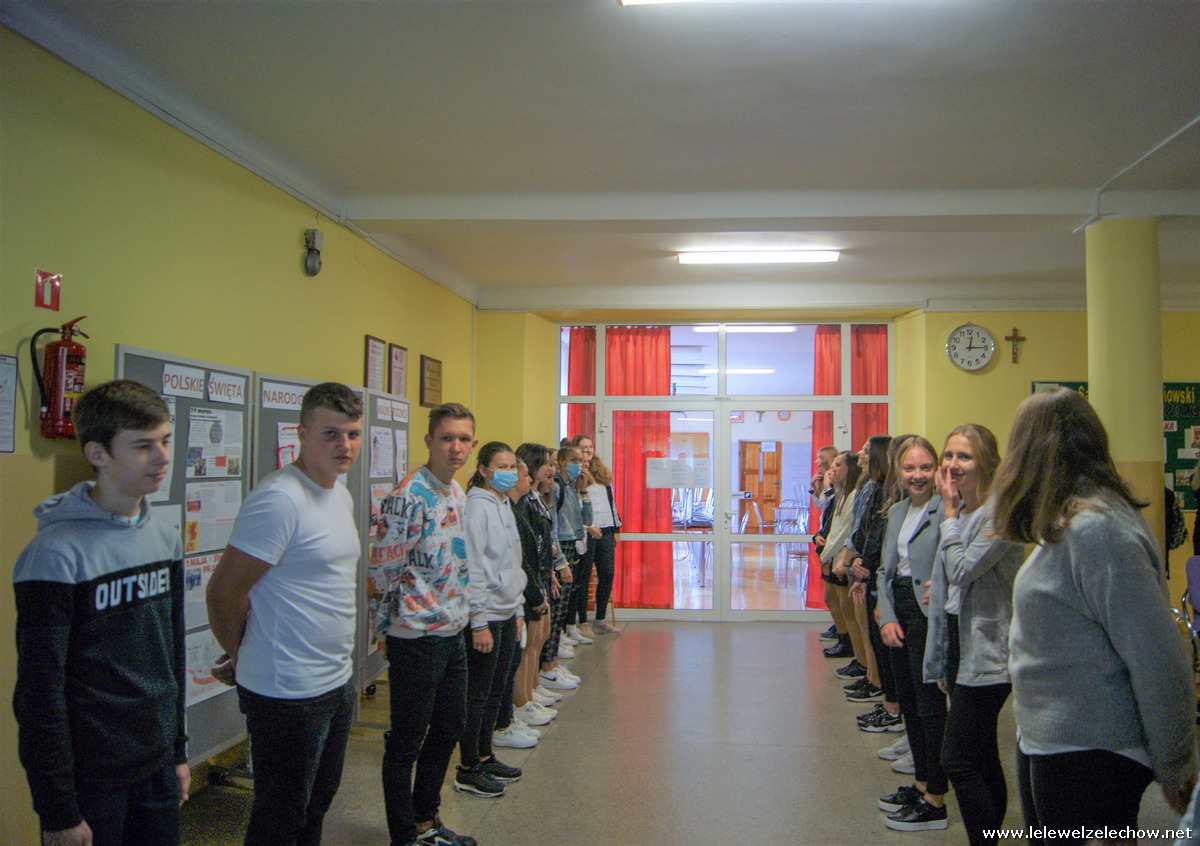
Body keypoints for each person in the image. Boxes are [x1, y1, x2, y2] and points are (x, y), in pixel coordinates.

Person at [993, 388, 1198, 838]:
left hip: (1090, 755)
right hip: (1055, 744)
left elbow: (1159, 658)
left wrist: (1176, 762)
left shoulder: (1098, 531)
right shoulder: (1069, 522)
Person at [13, 380, 187, 846]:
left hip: (157, 766)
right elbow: (39, 692)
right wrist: (57, 810)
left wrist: (178, 753)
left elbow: (171, 657)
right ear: (97, 453)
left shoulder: (165, 538)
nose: (162, 457)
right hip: (91, 779)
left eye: (166, 440)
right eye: (143, 446)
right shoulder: (55, 554)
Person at [207, 382, 363, 846]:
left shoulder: (339, 493)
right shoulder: (280, 499)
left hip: (336, 680)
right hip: (287, 690)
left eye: (353, 434)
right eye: (330, 434)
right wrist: (244, 654)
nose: (344, 445)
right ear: (303, 433)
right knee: (280, 817)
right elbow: (224, 593)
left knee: (317, 805)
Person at [367, 402, 479, 846]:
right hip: (415, 634)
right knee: (407, 740)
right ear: (430, 440)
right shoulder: (408, 496)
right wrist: (384, 631)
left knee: (449, 727)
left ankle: (425, 820)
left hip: (451, 631)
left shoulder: (456, 492)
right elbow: (382, 571)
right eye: (447, 438)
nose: (456, 448)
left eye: (464, 439)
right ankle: (404, 834)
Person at [921, 425, 1024, 846]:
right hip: (959, 640)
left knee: (956, 758)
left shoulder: (999, 514)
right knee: (981, 756)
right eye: (948, 456)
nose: (952, 465)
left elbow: (962, 568)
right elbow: (953, 575)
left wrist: (947, 515)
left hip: (989, 650)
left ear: (987, 463)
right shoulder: (964, 511)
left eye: (963, 456)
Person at [875, 436, 948, 832]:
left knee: (929, 707)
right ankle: (921, 783)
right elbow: (884, 571)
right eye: (909, 468)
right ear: (899, 472)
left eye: (925, 467)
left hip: (927, 615)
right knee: (908, 702)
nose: (917, 475)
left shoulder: (946, 509)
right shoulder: (898, 510)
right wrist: (886, 617)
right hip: (898, 610)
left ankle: (935, 798)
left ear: (936, 470)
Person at [453, 442, 528, 798]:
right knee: (478, 695)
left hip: (507, 611)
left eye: (513, 466)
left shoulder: (503, 504)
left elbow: (513, 561)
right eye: (502, 466)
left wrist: (518, 609)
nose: (509, 473)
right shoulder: (476, 507)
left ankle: (485, 755)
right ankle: (468, 767)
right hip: (485, 617)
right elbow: (473, 567)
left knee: (497, 689)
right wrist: (479, 622)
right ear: (483, 470)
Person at [585, 451, 621, 633]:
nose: (587, 451)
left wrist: (616, 529)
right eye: (583, 448)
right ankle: (580, 622)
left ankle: (600, 619)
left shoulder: (602, 475)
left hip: (606, 529)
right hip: (587, 531)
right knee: (583, 579)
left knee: (607, 574)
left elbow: (611, 504)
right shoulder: (577, 476)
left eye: (589, 448)